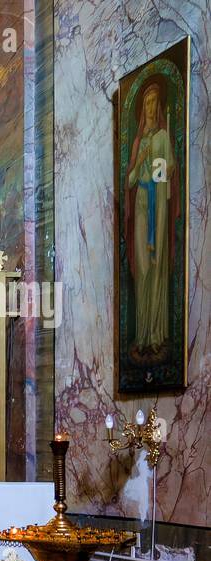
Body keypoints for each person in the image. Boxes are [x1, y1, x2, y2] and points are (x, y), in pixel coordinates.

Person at [125, 80, 175, 358]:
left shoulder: (162, 137)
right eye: (147, 102)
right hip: (143, 202)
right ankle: (141, 333)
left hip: (159, 203)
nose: (151, 106)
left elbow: (170, 168)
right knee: (143, 268)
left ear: (160, 105)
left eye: (154, 101)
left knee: (156, 268)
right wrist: (140, 158)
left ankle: (155, 334)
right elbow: (130, 179)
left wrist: (166, 166)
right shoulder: (141, 141)